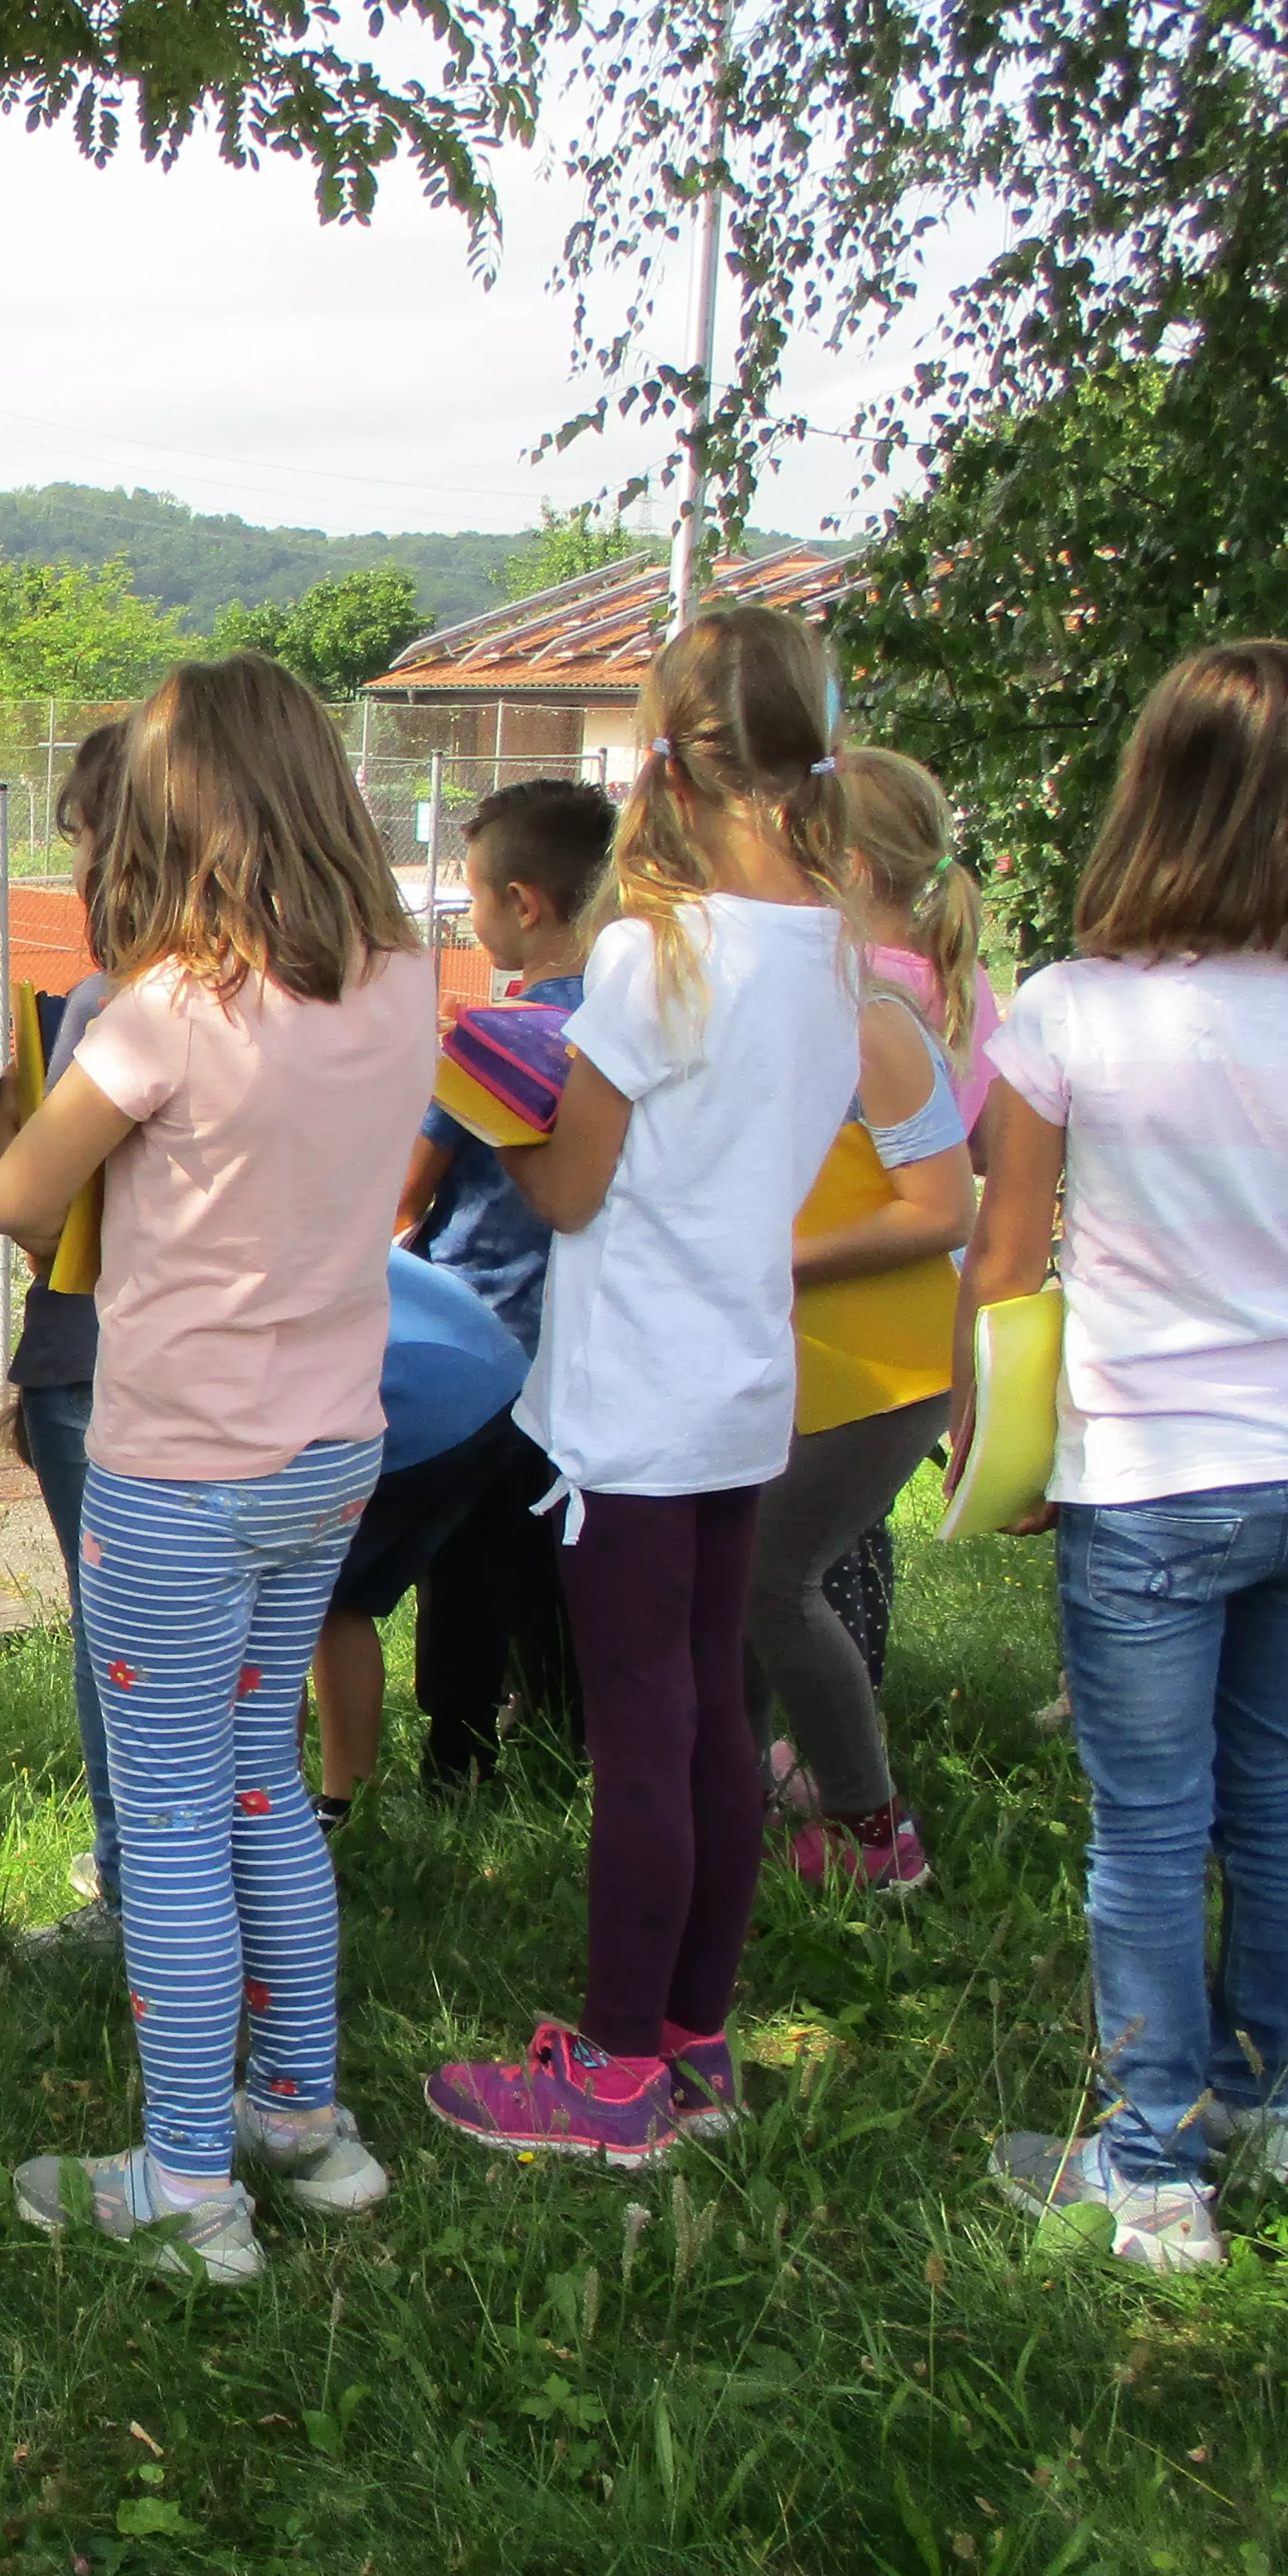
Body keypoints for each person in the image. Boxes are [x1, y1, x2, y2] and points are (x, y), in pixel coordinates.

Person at [966, 641, 1288, 2272]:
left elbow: (1003, 1259)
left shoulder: (1068, 1012)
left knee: (1146, 1821)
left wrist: (992, 1445)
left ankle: (1148, 2165)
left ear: (1148, 799)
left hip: (1145, 1473)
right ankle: (1259, 2106)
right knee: (1272, 1789)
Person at [0, 654, 437, 2282]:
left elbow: (20, 1202)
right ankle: (298, 2118)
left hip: (177, 1468)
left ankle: (185, 2181)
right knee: (259, 1783)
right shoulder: (403, 979)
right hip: (328, 1450)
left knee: (169, 1815)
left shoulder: (162, 1010)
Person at [424, 605, 864, 2168]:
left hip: (627, 1403)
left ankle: (611, 2075)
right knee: (705, 1730)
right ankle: (688, 2039)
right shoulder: (829, 947)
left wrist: (476, 1095)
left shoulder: (651, 956)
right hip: (740, 1381)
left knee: (641, 1739)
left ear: (664, 763)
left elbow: (564, 1193)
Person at [741, 748, 982, 1896]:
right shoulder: (812, 1005)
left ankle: (872, 1830)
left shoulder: (875, 1018)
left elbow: (942, 1207)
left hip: (882, 1370)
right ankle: (734, 1800)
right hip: (824, 1364)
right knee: (740, 1578)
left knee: (767, 1580)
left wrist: (769, 1256)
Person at [397, 778, 612, 1782]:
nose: (471, 917)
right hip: (593, 1336)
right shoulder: (636, 1021)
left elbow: (410, 1188)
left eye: (476, 897)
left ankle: (461, 1748)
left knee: (468, 1556)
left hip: (480, 1332)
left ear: (524, 904)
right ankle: (572, 1721)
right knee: (563, 1543)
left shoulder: (495, 1038)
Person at [3, 720, 129, 1949]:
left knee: (119, 1642)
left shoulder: (117, 1004)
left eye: (81, 839)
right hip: (284, 1393)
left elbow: (29, 1206)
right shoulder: (330, 990)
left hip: (102, 1363)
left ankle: (132, 1892)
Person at [304, 1250, 534, 1806]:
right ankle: (364, 1801)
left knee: (303, 1600)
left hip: (431, 1387)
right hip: (493, 1370)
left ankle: (295, 1812)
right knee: (343, 1598)